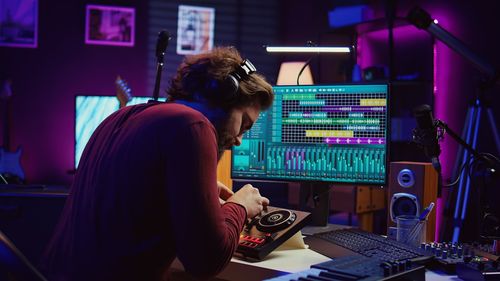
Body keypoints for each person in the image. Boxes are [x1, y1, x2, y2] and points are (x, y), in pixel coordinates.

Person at [41, 46, 274, 280]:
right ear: (224, 94)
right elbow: (206, 261)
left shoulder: (119, 118)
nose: (238, 140)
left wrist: (192, 189)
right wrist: (241, 206)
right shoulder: (193, 125)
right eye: (244, 124)